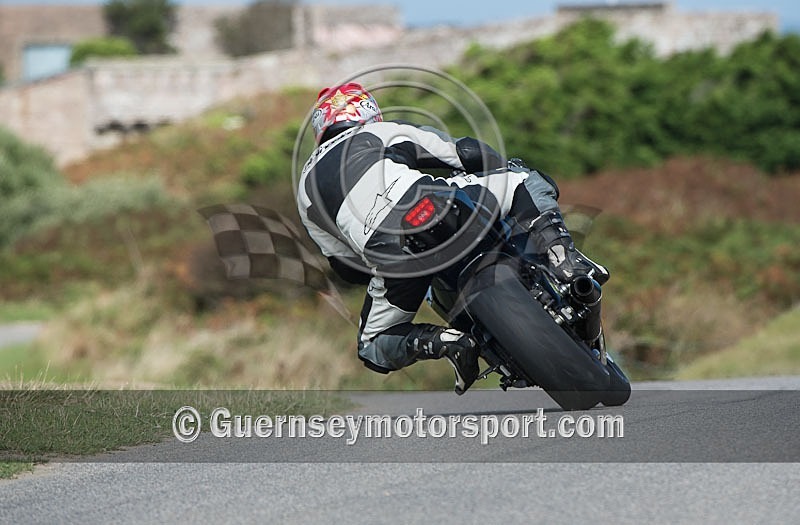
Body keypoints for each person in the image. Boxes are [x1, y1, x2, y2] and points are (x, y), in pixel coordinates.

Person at [297, 82, 608, 394]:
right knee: (523, 179)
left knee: (372, 346)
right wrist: (495, 165)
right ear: (369, 112)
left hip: (390, 254)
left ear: (320, 127)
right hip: (439, 203)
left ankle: (446, 341)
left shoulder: (304, 189)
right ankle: (564, 260)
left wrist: (384, 264)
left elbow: (345, 267)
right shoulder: (383, 132)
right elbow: (465, 152)